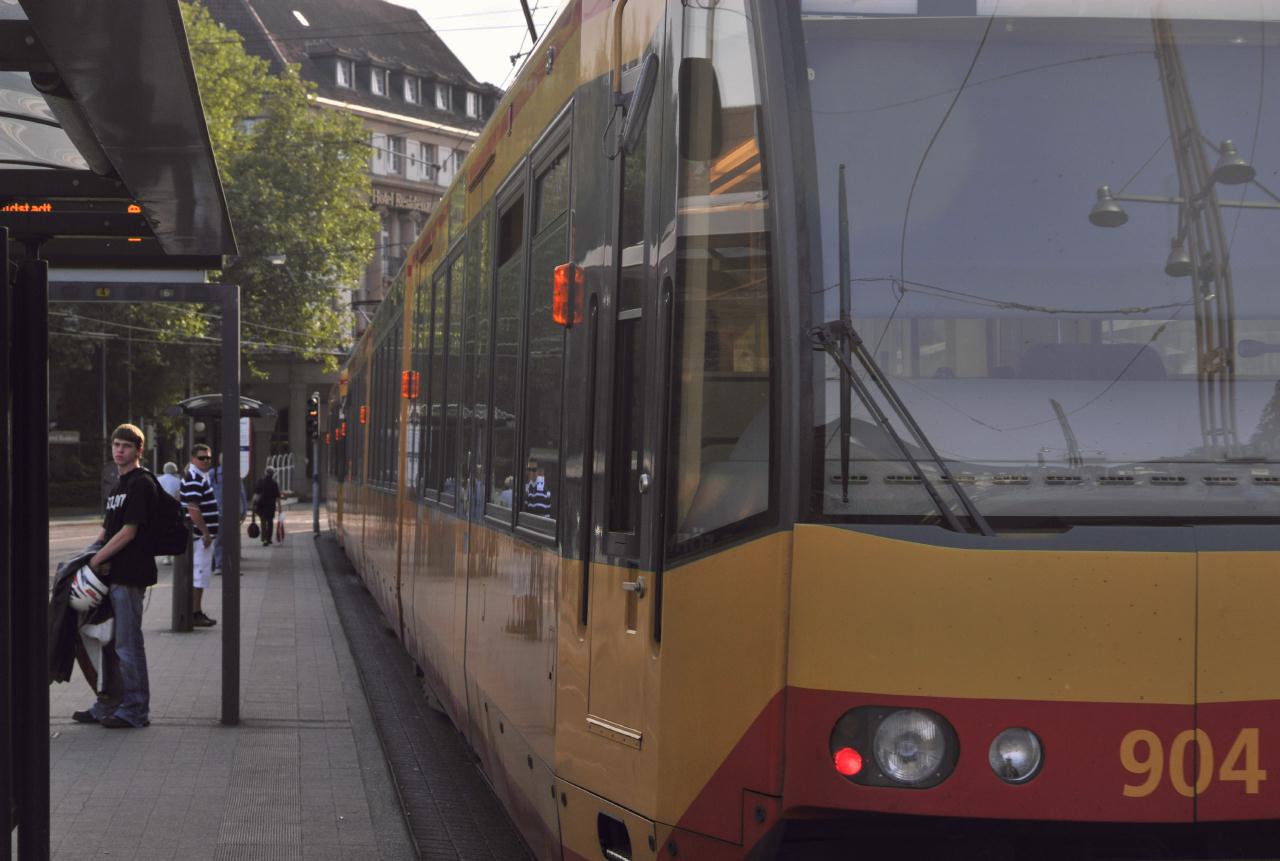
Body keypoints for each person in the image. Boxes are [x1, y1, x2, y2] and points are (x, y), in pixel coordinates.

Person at [72, 423, 158, 729]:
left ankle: (135, 710)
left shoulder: (141, 484)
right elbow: (106, 530)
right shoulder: (118, 486)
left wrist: (96, 559)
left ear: (138, 450)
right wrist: (86, 557)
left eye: (125, 446)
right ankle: (107, 703)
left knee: (127, 644)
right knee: (105, 644)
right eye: (116, 445)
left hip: (129, 577)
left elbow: (128, 532)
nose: (119, 450)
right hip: (109, 578)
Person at [179, 445, 219, 627]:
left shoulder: (198, 476)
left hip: (198, 536)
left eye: (208, 458)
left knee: (200, 574)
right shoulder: (195, 478)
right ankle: (195, 613)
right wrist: (205, 532)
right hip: (199, 537)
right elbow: (193, 509)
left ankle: (194, 611)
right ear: (193, 458)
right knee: (200, 575)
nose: (206, 461)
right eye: (202, 458)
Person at [210, 452, 247, 574]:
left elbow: (241, 493)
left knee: (233, 540)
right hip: (218, 512)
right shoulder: (213, 473)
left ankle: (233, 566)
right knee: (220, 539)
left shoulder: (235, 474)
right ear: (220, 461)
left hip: (233, 512)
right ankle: (219, 565)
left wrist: (244, 511)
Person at [156, 462, 182, 565]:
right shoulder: (178, 481)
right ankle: (171, 555)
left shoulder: (158, 480)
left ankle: (166, 556)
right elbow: (178, 497)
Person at [250, 467, 282, 547]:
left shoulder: (261, 482)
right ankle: (269, 538)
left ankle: (264, 539)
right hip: (271, 506)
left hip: (261, 506)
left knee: (263, 522)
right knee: (270, 522)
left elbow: (256, 494)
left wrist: (252, 504)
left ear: (265, 473)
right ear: (272, 474)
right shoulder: (274, 484)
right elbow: (278, 497)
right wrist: (280, 508)